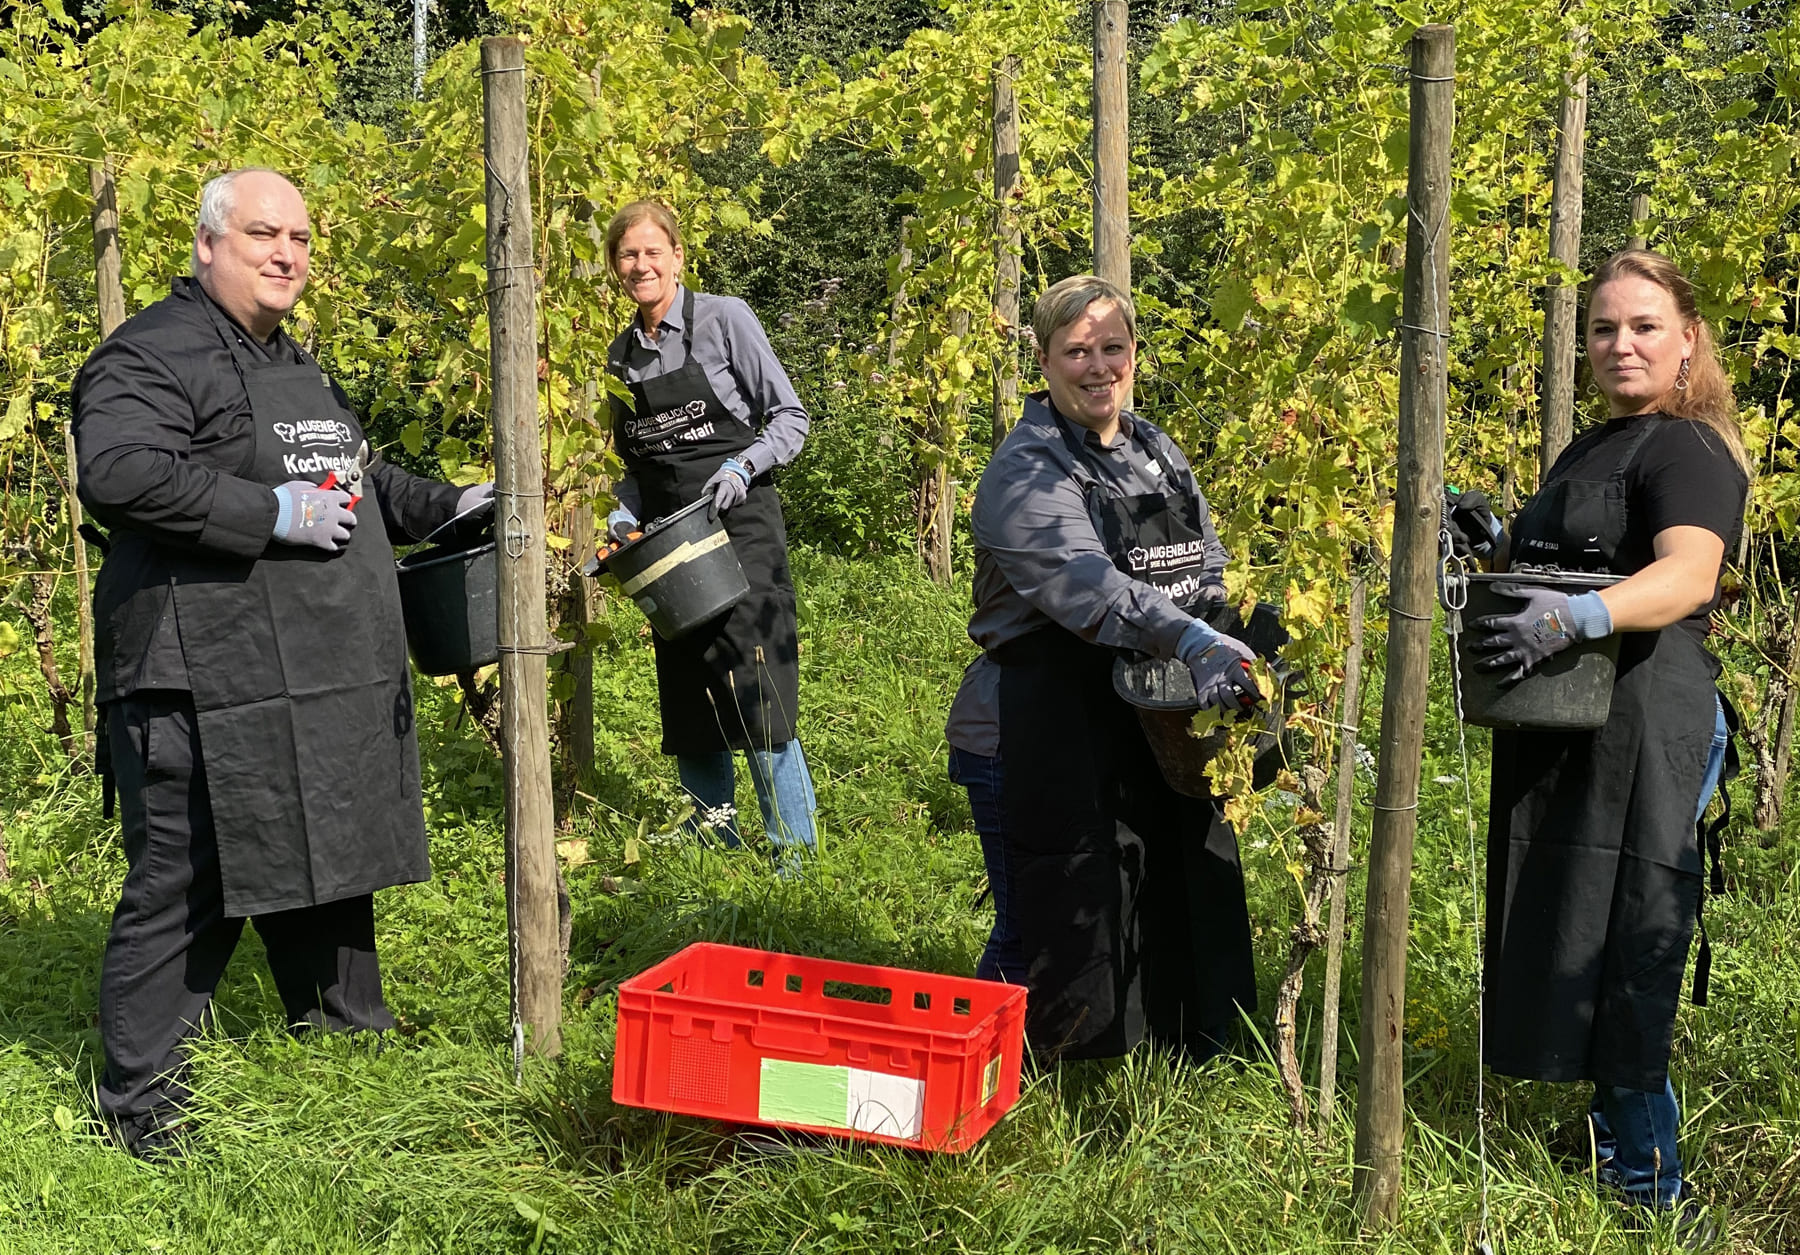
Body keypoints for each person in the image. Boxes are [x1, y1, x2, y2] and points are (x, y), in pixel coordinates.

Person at [74, 167, 492, 1157]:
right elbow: (119, 470)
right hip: (194, 677)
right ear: (209, 244)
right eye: (265, 234)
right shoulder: (151, 351)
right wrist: (266, 513)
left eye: (301, 238)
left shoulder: (291, 359)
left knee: (328, 855)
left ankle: (348, 1041)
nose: (287, 254)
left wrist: (454, 503)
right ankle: (144, 1113)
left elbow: (354, 477)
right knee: (187, 883)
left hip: (310, 670)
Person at [1449, 249, 1748, 1247]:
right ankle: (1611, 1142)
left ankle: (1654, 1187)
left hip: (1647, 718)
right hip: (1584, 717)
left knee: (1628, 937)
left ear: (1688, 340)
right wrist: (1497, 549)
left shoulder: (1688, 450)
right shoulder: (1595, 445)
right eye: (1605, 329)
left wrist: (1574, 619)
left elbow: (1687, 578)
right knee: (1579, 914)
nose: (1622, 344)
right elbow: (1578, 561)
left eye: (1645, 327)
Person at [959, 274, 1261, 1061]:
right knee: (1044, 919)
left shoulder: (1152, 447)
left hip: (1139, 719)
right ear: (1044, 358)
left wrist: (1221, 611)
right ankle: (984, 1080)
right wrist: (1194, 642)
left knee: (1145, 895)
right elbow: (1092, 590)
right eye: (1077, 351)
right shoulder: (1023, 472)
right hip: (1032, 726)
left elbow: (1203, 550)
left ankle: (1152, 1065)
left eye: (1113, 347)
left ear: (1135, 352)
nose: (1099, 367)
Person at [600, 201, 817, 861]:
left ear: (677, 257)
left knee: (758, 688)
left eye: (652, 251)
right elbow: (631, 466)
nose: (641, 265)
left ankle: (792, 850)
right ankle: (712, 835)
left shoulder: (725, 319)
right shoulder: (621, 355)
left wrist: (744, 464)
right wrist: (622, 511)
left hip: (739, 527)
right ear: (616, 267)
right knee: (690, 692)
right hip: (671, 545)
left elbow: (790, 417)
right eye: (628, 255)